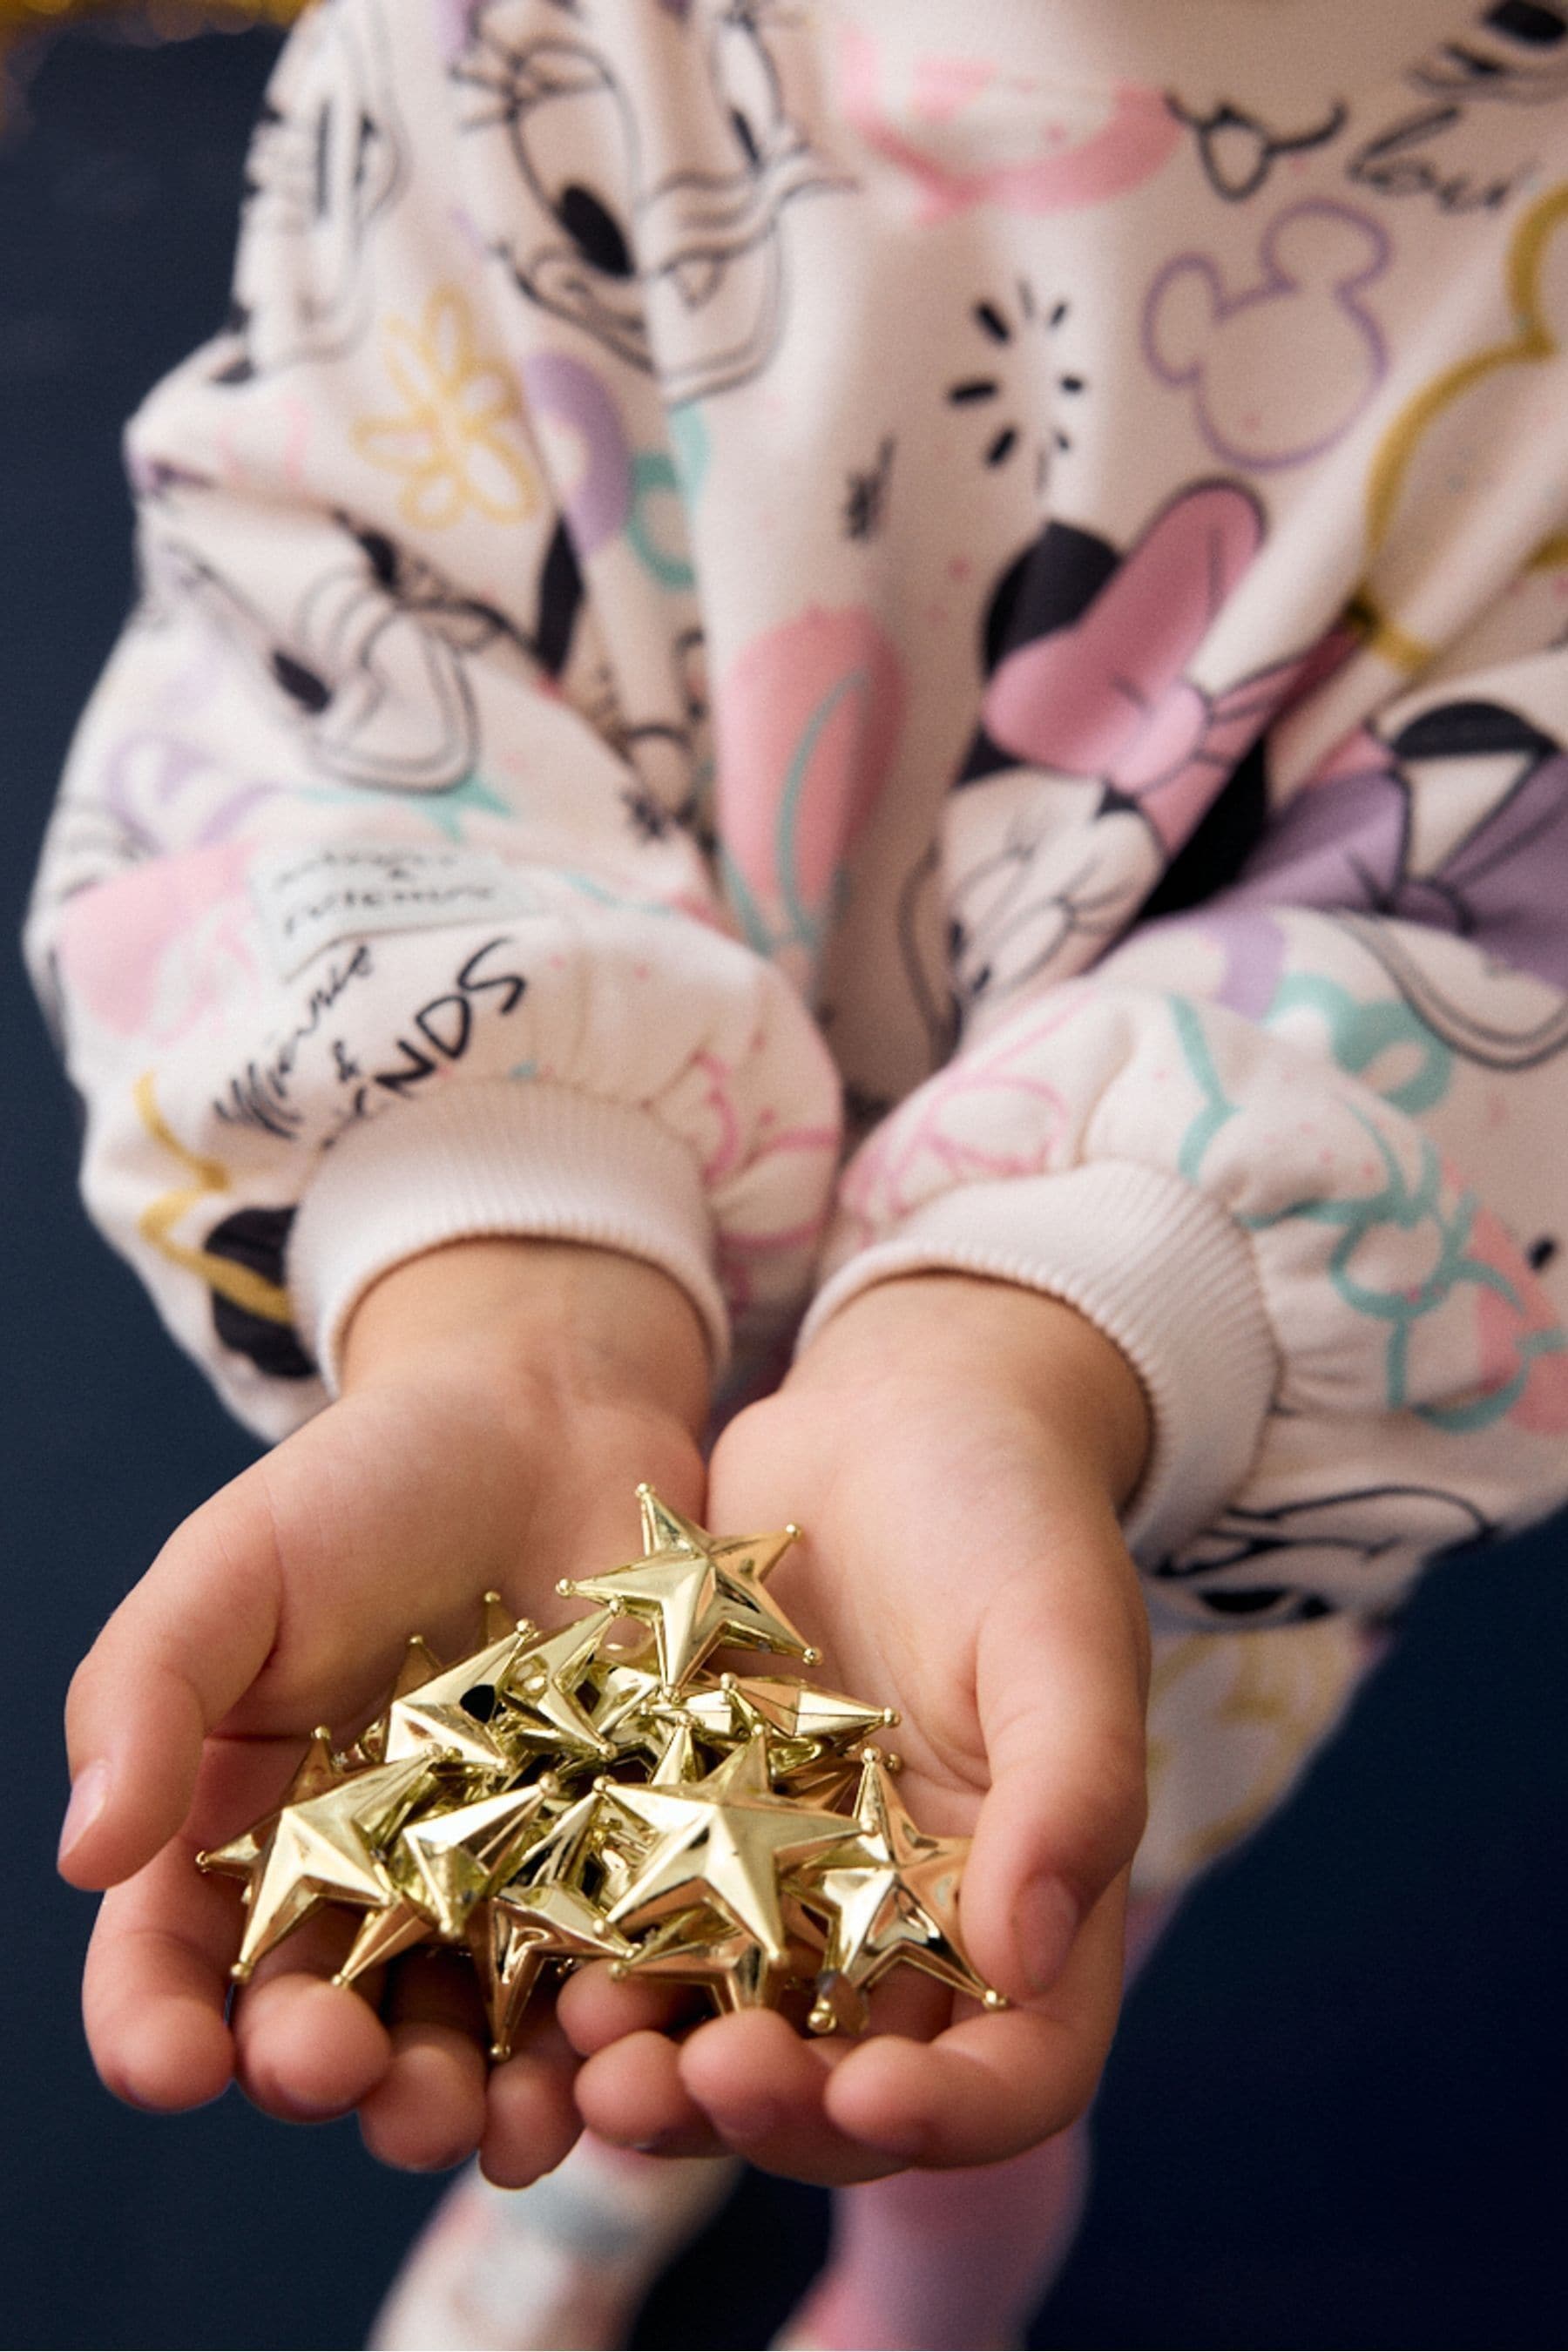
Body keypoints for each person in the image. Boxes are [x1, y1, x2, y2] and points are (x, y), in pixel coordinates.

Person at [29, 0, 1568, 2345]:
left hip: (1156, 1474)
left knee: (1012, 1959)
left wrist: (1032, 1345)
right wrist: (499, 1287)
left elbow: (1510, 933)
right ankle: (617, 2161)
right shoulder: (497, 49)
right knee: (767, 2004)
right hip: (557, 1340)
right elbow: (327, 634)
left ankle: (939, 2275)